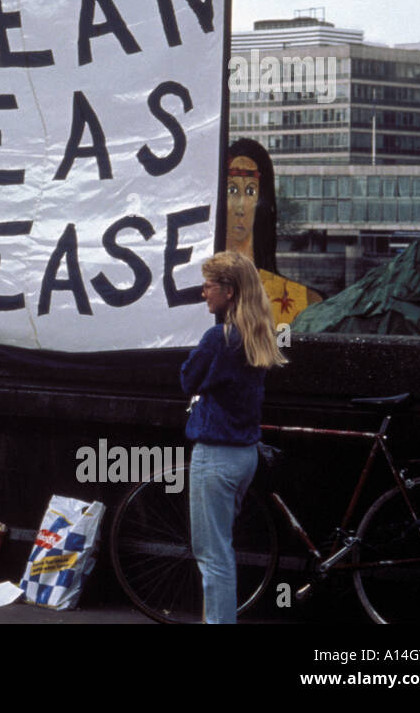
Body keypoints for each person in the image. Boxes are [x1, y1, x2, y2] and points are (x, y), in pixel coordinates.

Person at [180, 250, 287, 623]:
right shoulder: (255, 335)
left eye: (208, 285)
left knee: (213, 556)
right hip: (244, 455)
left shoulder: (219, 338)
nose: (203, 293)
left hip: (215, 456)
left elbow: (188, 379)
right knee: (222, 551)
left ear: (228, 290)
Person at [225, 138, 321, 325]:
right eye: (232, 190)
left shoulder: (300, 303)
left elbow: (283, 345)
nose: (240, 206)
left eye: (251, 191)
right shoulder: (203, 295)